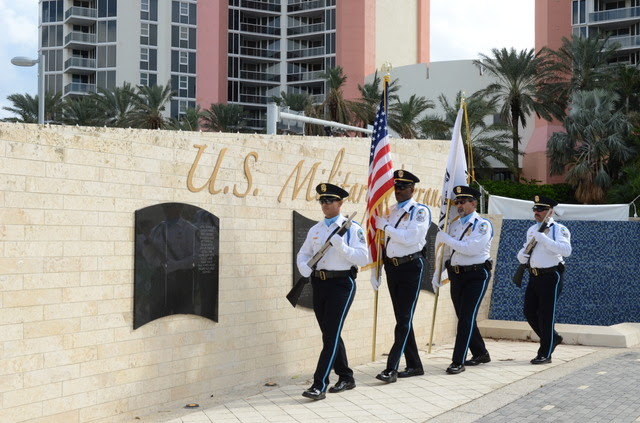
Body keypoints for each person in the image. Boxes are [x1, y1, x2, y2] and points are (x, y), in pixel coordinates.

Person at [296, 183, 369, 400]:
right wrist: (303, 267)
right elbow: (304, 253)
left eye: (330, 200)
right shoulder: (316, 229)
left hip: (342, 284)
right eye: (322, 201)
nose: (325, 204)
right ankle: (346, 376)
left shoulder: (352, 228)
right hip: (320, 284)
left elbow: (363, 258)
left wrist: (341, 246)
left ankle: (319, 384)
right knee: (330, 334)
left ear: (341, 203)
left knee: (331, 335)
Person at [373, 170, 430, 383]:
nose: (398, 191)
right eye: (396, 187)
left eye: (403, 187)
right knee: (402, 319)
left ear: (412, 190)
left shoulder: (420, 211)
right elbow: (385, 241)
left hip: (410, 267)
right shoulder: (392, 210)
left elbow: (410, 238)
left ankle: (391, 368)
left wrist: (386, 226)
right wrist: (377, 268)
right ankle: (415, 365)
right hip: (392, 268)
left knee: (404, 319)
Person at [434, 186, 493, 375]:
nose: (459, 205)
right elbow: (449, 252)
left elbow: (471, 249)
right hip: (457, 274)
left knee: (466, 317)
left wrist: (446, 239)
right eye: (457, 202)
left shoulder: (482, 225)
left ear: (473, 203)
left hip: (476, 274)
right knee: (463, 316)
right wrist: (438, 273)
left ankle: (458, 361)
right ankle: (481, 352)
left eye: (463, 201)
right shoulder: (455, 224)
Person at [517, 195, 571, 364]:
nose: (537, 212)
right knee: (529, 311)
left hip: (551, 275)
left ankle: (545, 353)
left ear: (550, 211)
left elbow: (566, 250)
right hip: (534, 275)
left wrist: (545, 240)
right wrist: (522, 254)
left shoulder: (559, 229)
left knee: (546, 315)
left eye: (540, 209)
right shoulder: (532, 230)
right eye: (535, 209)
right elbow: (528, 250)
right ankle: (552, 338)